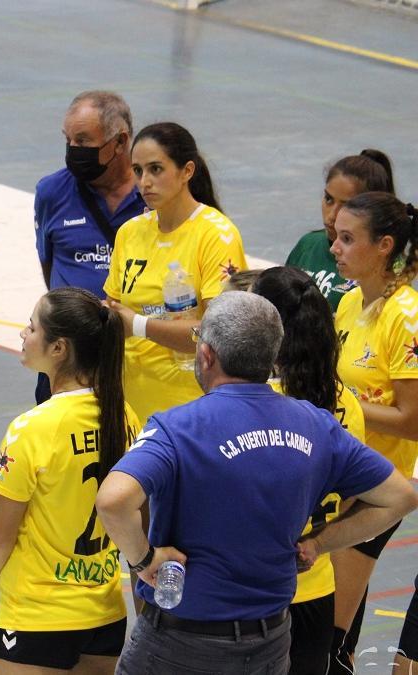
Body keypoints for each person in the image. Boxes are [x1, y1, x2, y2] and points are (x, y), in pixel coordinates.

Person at [95, 291, 418, 675]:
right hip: (270, 641)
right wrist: (319, 543)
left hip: (184, 643)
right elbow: (399, 497)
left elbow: (114, 500)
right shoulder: (315, 424)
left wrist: (146, 560)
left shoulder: (179, 428)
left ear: (207, 355)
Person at [0, 287, 139, 674]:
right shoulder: (126, 417)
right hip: (104, 613)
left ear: (59, 349)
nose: (22, 333)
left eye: (32, 327)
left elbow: (0, 534)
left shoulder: (32, 429)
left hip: (38, 615)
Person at [251, 266, 367, 675]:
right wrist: (319, 542)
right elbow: (354, 499)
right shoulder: (344, 402)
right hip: (317, 587)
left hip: (255, 593)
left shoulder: (257, 403)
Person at [103, 122, 247, 423]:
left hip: (190, 409)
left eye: (156, 169)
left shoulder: (216, 235)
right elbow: (113, 312)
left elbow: (219, 332)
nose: (145, 182)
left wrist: (140, 325)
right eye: (138, 170)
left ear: (187, 171)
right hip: (131, 406)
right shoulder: (130, 232)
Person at [329, 192, 418, 670]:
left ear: (384, 246)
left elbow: (413, 421)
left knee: (330, 637)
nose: (335, 249)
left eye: (347, 239)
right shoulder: (348, 305)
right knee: (333, 631)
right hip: (336, 482)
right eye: (335, 237)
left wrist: (343, 405)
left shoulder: (406, 317)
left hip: (375, 491)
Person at [34, 91, 145, 403]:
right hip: (67, 363)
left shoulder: (151, 198)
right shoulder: (51, 192)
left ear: (121, 142)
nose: (72, 151)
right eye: (68, 140)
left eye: (82, 141)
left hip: (134, 362)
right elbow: (49, 263)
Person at [286, 150, 394, 312]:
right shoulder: (307, 245)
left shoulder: (378, 269)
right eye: (328, 199)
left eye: (346, 206)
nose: (332, 215)